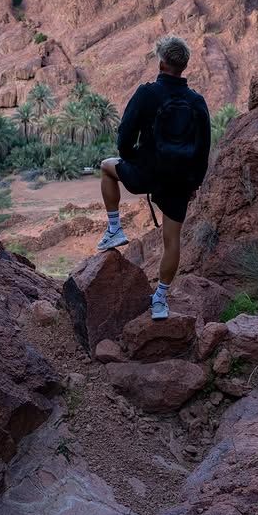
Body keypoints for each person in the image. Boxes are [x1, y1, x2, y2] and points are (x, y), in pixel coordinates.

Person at [97, 36, 211, 320]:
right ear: (183, 67)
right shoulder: (196, 101)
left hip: (145, 173)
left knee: (106, 166)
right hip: (179, 181)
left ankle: (114, 229)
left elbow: (125, 136)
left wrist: (133, 159)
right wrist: (193, 183)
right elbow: (203, 148)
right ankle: (160, 299)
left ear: (161, 63)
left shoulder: (147, 94)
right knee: (172, 241)